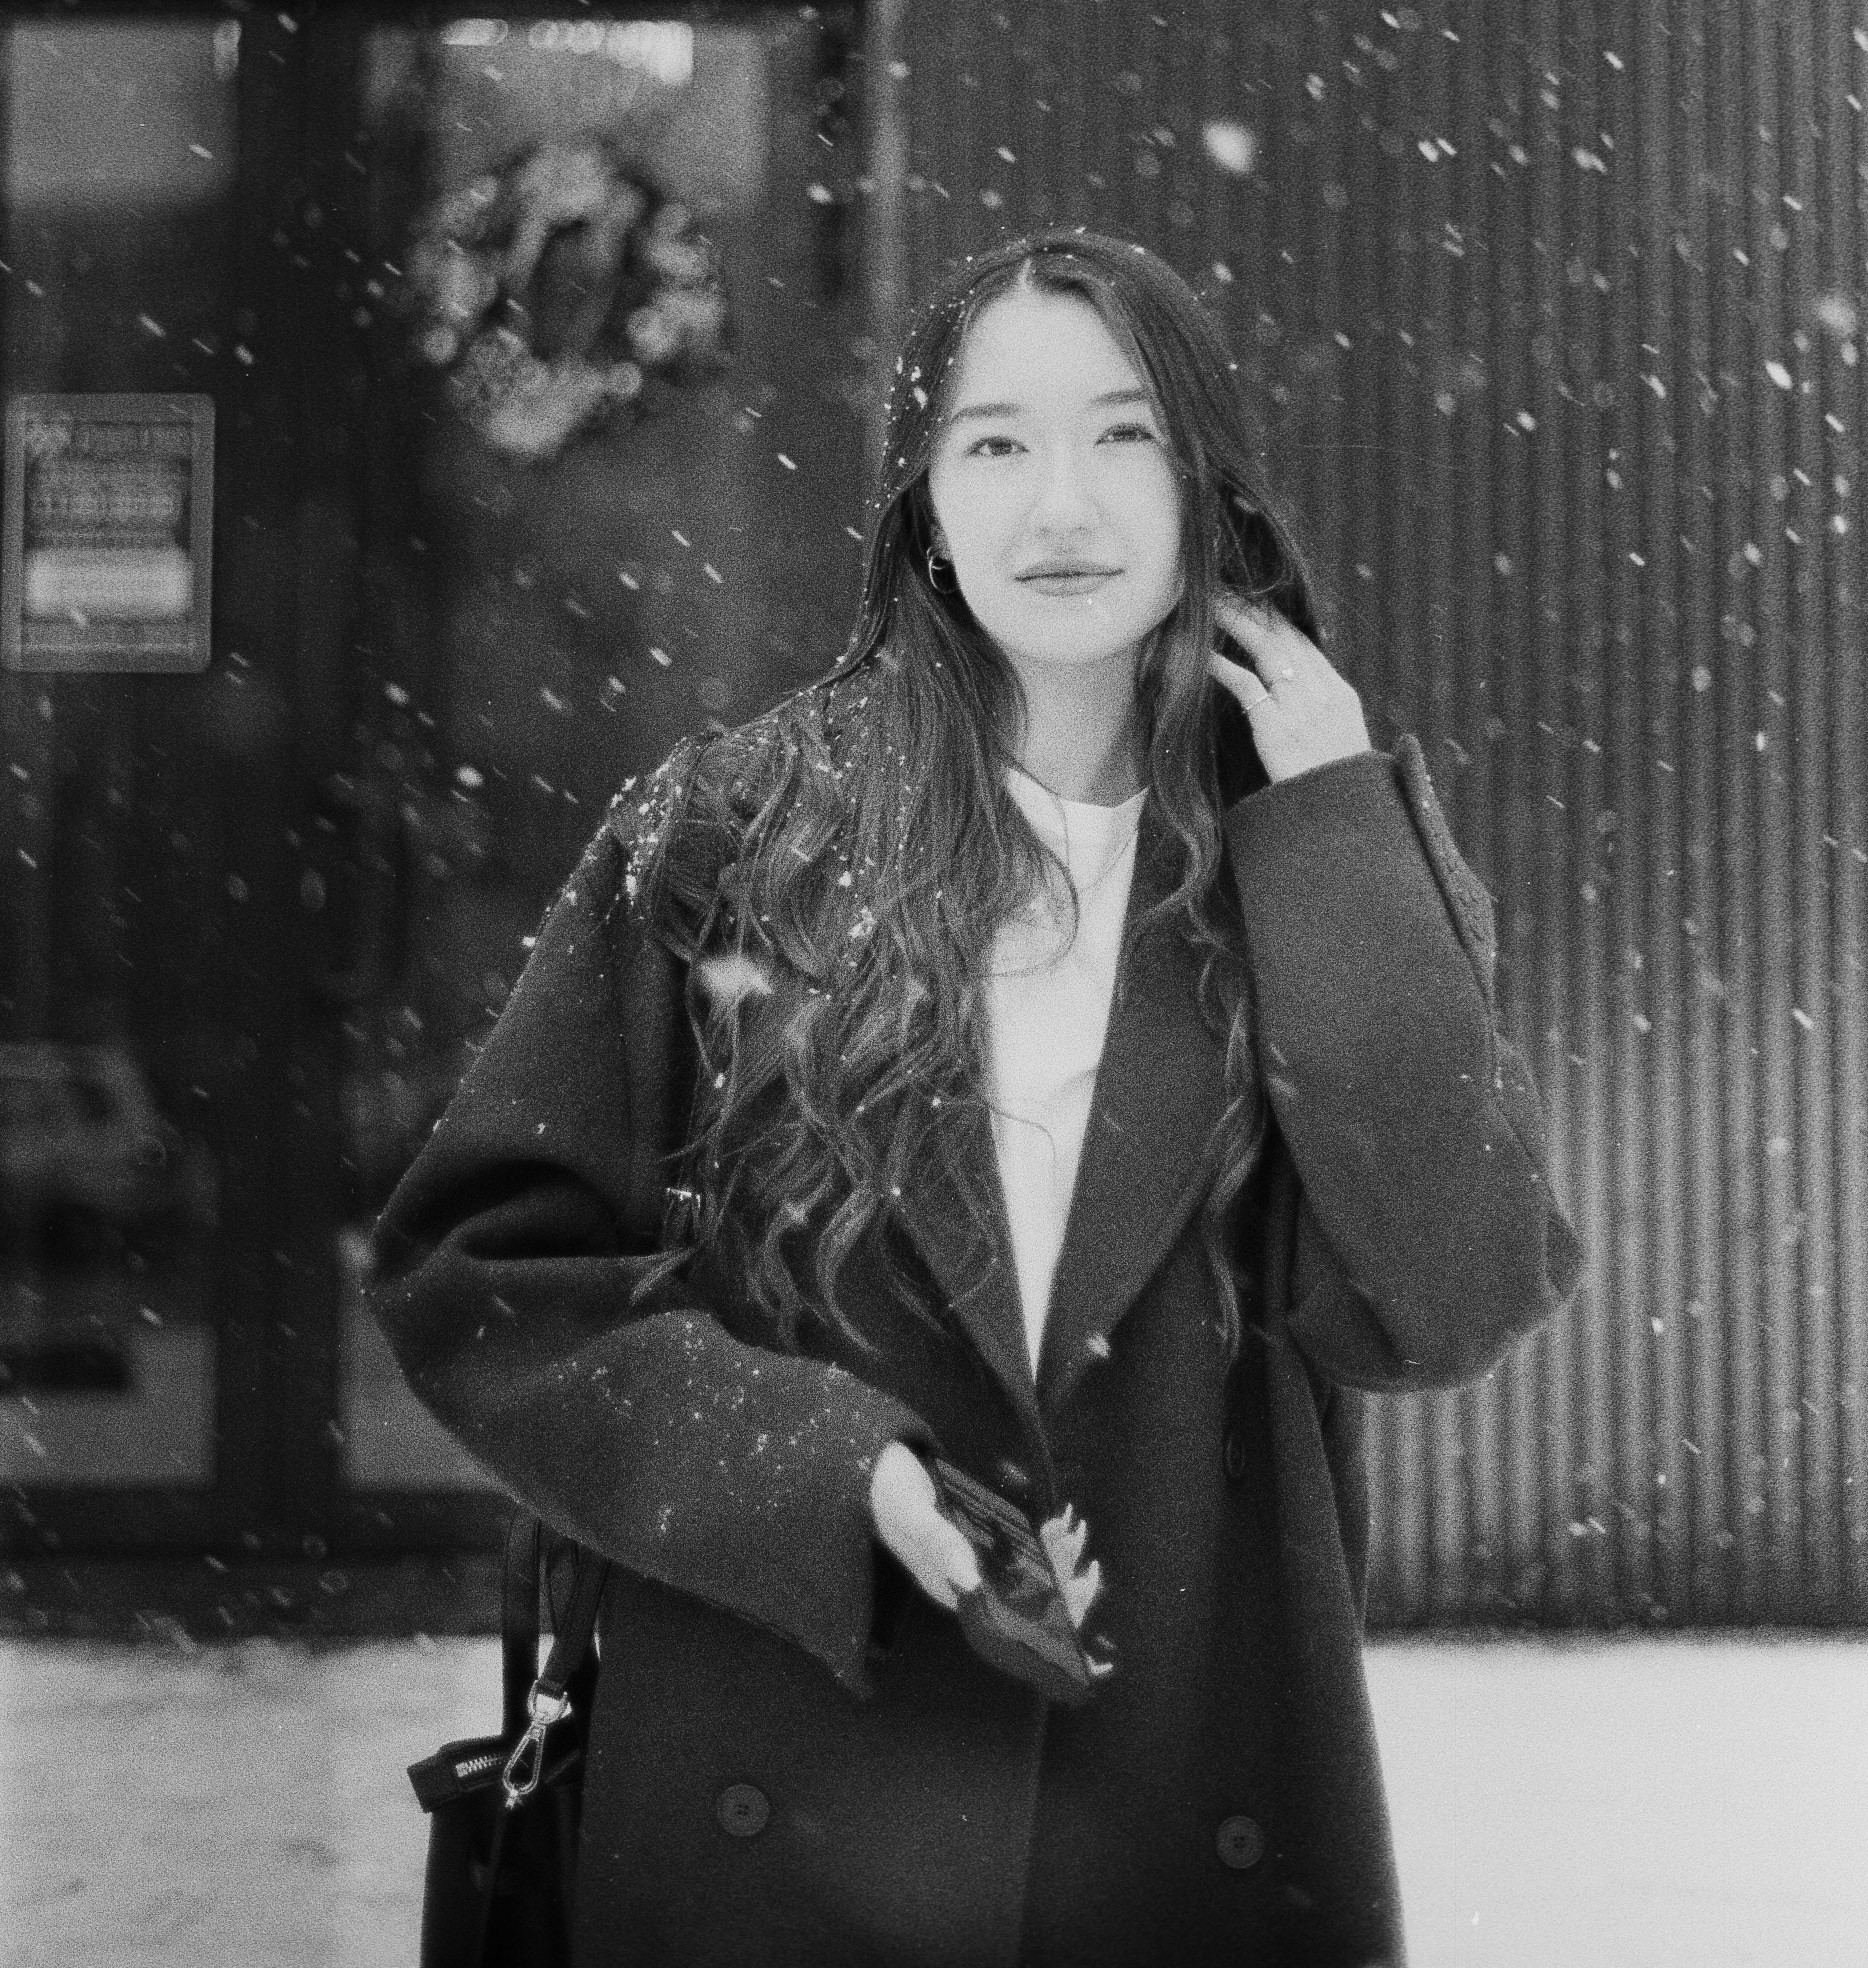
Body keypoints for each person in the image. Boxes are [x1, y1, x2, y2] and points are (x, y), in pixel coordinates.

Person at [371, 225, 1582, 1968]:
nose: (1061, 506)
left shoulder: (1319, 847)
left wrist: (1331, 832)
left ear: (1209, 487)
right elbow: (483, 1277)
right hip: (779, 1781)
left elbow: (1445, 1302)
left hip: (1179, 1803)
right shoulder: (732, 831)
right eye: (996, 443)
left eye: (1124, 434)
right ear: (924, 504)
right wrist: (822, 1471)